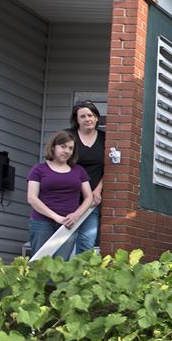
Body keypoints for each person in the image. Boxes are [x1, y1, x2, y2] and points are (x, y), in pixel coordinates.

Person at [27, 131, 92, 261]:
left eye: (71, 148)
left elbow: (89, 197)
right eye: (63, 146)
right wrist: (57, 218)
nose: (67, 151)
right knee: (40, 264)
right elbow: (32, 198)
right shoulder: (39, 169)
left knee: (60, 266)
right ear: (53, 147)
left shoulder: (79, 171)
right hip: (42, 222)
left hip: (68, 224)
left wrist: (76, 215)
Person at [68, 99, 105, 255]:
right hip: (68, 196)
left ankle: (82, 276)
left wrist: (97, 191)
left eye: (90, 115)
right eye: (82, 116)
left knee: (86, 241)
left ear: (96, 117)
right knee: (65, 240)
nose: (87, 119)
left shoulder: (106, 138)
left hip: (92, 199)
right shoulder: (68, 136)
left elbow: (110, 168)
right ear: (76, 120)